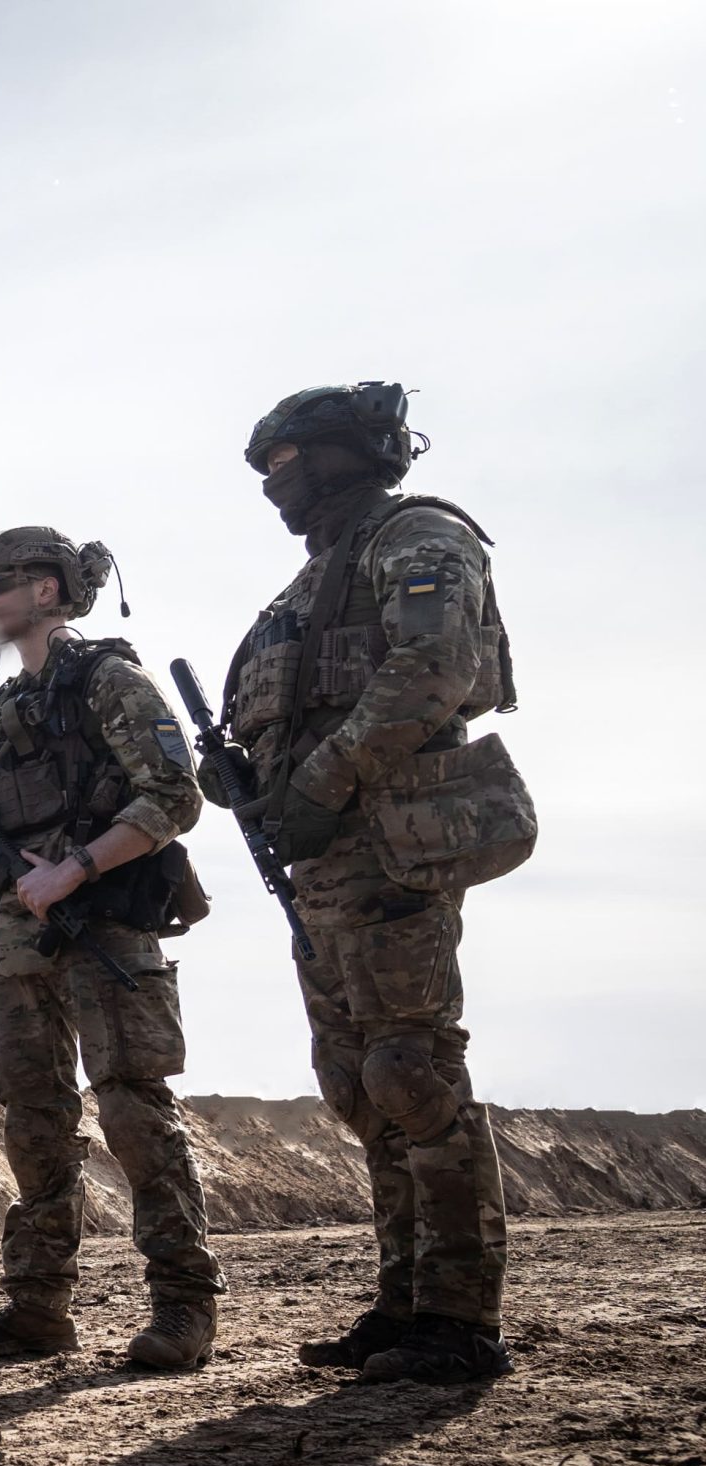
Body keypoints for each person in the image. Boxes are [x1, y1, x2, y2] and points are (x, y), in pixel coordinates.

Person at [221, 382, 534, 1384]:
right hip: (321, 866)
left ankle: (456, 1314)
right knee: (359, 1084)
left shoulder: (418, 535)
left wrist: (318, 779)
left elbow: (435, 665)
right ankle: (401, 1301)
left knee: (413, 1069)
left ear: (340, 454)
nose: (276, 486)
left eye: (286, 463)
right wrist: (233, 774)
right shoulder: (302, 592)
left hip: (394, 845)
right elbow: (273, 721)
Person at [0, 527, 224, 1369]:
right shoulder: (4, 710)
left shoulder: (109, 680)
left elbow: (173, 795)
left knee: (134, 1112)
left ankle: (184, 1306)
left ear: (48, 591)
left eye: (0, 584)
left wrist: (76, 869)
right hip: (19, 943)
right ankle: (39, 1307)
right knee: (34, 1120)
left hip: (103, 924)